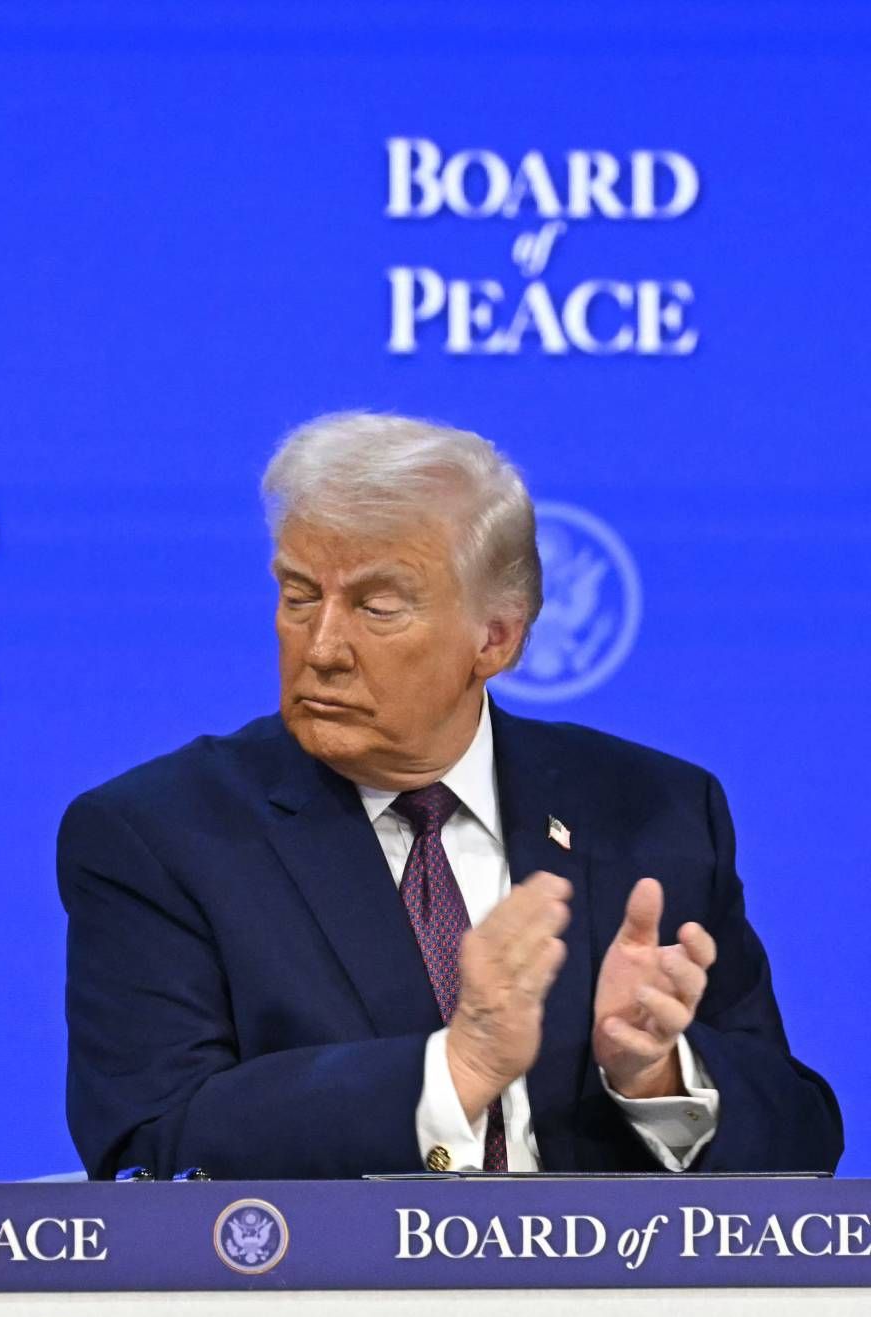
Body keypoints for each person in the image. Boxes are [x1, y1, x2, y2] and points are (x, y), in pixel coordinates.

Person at [58, 412, 842, 1180]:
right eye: (299, 595)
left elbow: (804, 1144)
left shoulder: (655, 811)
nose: (322, 647)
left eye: (376, 607)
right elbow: (153, 1148)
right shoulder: (159, 835)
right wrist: (453, 1072)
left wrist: (659, 1076)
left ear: (495, 638)